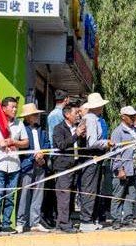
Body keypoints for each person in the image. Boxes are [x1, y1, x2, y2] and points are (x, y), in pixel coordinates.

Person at [0, 97, 29, 233]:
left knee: (10, 195)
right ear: (3, 108)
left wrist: (14, 142)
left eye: (16, 107)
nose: (15, 109)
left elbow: (25, 143)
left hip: (14, 164)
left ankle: (6, 223)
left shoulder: (19, 124)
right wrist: (0, 142)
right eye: (12, 107)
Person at [51, 102, 87, 233]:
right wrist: (76, 135)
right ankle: (63, 223)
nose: (78, 115)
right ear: (67, 114)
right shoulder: (59, 128)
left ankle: (67, 221)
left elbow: (79, 145)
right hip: (63, 167)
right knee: (63, 195)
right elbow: (61, 145)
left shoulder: (76, 127)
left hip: (75, 165)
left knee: (71, 196)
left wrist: (81, 136)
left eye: (78, 113)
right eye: (75, 113)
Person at [79, 93, 112, 231]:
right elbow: (91, 142)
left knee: (95, 188)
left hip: (96, 157)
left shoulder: (96, 119)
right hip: (91, 157)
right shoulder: (91, 120)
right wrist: (106, 143)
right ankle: (86, 220)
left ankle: (92, 219)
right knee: (90, 188)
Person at [17, 103, 51, 233]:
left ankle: (35, 222)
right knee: (24, 194)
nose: (37, 116)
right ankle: (21, 221)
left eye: (37, 114)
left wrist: (43, 155)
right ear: (27, 117)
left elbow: (47, 144)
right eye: (34, 114)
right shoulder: (22, 129)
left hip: (40, 163)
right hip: (27, 164)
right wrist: (33, 157)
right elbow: (22, 148)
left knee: (38, 193)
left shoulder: (41, 129)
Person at [110, 106, 136, 229]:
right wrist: (119, 168)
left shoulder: (134, 130)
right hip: (122, 169)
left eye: (134, 116)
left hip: (133, 168)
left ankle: (128, 218)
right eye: (131, 116)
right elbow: (115, 152)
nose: (133, 118)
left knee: (131, 194)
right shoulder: (118, 132)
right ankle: (116, 219)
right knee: (118, 195)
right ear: (123, 117)